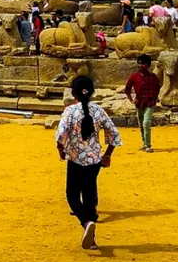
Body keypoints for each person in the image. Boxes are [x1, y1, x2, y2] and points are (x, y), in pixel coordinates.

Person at [56, 75, 121, 250]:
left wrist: (60, 149)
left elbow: (61, 134)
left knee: (72, 195)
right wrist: (107, 155)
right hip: (94, 160)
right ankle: (91, 236)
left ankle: (86, 223)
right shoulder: (99, 111)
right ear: (91, 91)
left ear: (73, 92)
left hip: (76, 160)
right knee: (89, 193)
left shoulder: (70, 111)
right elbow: (114, 135)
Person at [123, 54, 160, 153]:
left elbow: (157, 88)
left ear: (148, 65)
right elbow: (127, 89)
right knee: (141, 124)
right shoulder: (134, 77)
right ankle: (144, 142)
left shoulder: (153, 77)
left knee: (146, 123)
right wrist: (131, 99)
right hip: (139, 103)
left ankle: (148, 145)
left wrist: (155, 98)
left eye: (142, 64)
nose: (140, 66)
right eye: (138, 63)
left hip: (150, 103)